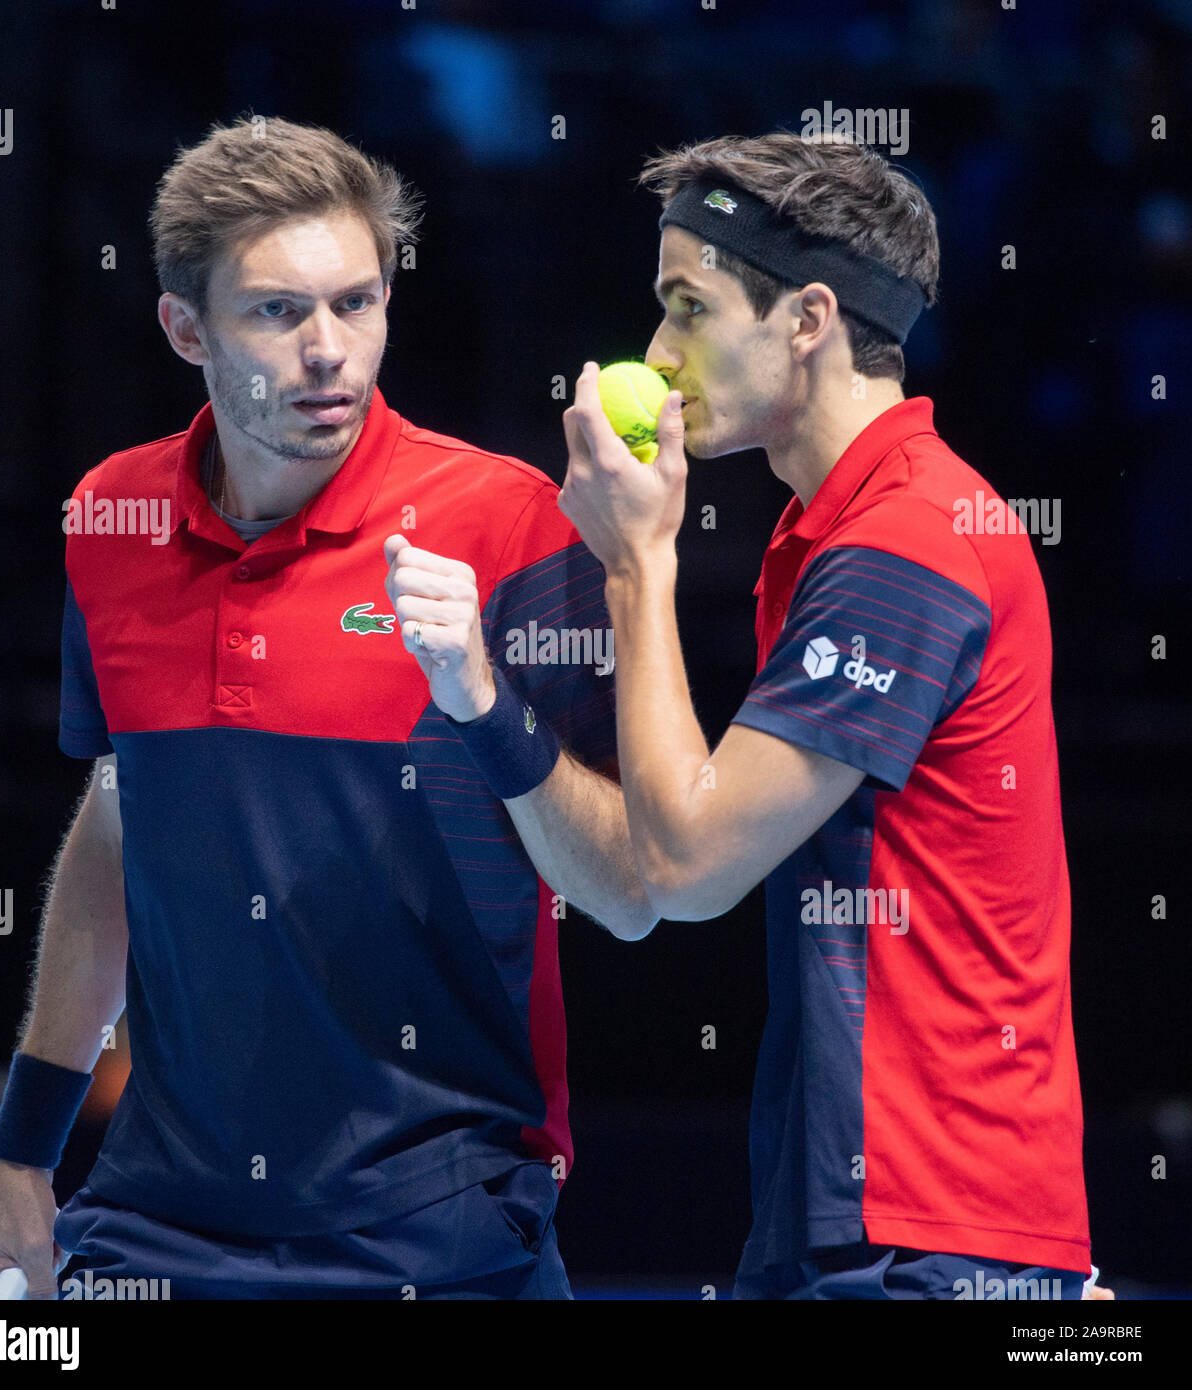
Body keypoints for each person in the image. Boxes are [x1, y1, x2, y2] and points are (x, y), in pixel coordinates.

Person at [0, 115, 655, 1302]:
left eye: (358, 302)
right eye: (278, 312)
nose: (330, 349)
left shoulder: (509, 523)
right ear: (186, 328)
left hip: (442, 1221)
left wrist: (483, 702)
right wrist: (22, 1152)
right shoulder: (108, 518)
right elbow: (124, 818)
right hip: (155, 1222)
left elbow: (627, 889)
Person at [556, 132, 1095, 1300]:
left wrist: (637, 565)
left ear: (806, 319)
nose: (656, 352)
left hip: (925, 1233)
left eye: (686, 307)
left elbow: (688, 864)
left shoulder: (907, 542)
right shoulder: (859, 529)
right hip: (893, 1222)